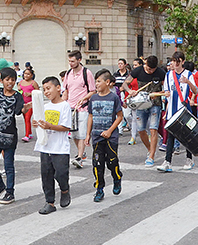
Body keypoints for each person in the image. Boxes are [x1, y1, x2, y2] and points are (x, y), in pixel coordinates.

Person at [0, 67, 31, 205]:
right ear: (1, 81)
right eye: (7, 80)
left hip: (10, 136)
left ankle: (10, 192)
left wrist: (28, 106)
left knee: (8, 165)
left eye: (12, 80)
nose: (10, 82)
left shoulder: (17, 95)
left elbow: (19, 111)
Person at [34, 76, 72, 214]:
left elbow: (66, 127)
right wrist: (37, 124)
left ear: (58, 88)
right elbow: (40, 123)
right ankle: (50, 202)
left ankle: (65, 189)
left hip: (60, 148)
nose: (46, 92)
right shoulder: (45, 106)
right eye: (44, 90)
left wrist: (50, 125)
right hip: (45, 146)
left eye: (48, 88)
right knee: (46, 175)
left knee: (61, 173)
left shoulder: (64, 106)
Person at [122, 55, 166, 167]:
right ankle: (150, 149)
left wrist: (160, 94)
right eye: (148, 69)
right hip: (141, 103)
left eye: (152, 70)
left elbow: (166, 89)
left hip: (155, 104)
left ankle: (151, 156)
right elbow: (125, 84)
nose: (150, 71)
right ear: (145, 64)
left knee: (153, 128)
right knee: (141, 130)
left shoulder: (160, 73)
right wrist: (130, 90)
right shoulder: (138, 70)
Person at [86, 69, 123, 202]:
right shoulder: (93, 98)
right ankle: (99, 188)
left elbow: (120, 116)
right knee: (97, 163)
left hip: (111, 137)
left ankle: (117, 178)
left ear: (107, 82)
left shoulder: (114, 98)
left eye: (99, 81)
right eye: (95, 81)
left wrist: (110, 131)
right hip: (97, 137)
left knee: (112, 162)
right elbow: (90, 116)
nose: (96, 84)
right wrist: (87, 135)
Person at [158, 51, 196, 172]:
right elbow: (166, 91)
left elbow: (195, 91)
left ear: (182, 62)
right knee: (171, 135)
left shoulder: (189, 74)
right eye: (173, 61)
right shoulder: (169, 75)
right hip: (172, 109)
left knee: (187, 135)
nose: (175, 64)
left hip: (184, 108)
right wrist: (166, 94)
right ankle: (167, 161)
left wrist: (188, 82)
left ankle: (189, 159)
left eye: (177, 61)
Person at [63, 50, 96, 169]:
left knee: (81, 134)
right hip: (71, 108)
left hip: (83, 108)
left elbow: (92, 90)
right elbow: (65, 89)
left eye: (73, 61)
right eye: (69, 61)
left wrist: (84, 99)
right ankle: (81, 153)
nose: (70, 63)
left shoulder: (87, 73)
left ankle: (79, 157)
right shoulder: (68, 73)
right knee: (74, 135)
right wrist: (63, 103)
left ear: (79, 60)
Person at [19, 68, 39, 142]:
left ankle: (27, 135)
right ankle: (29, 133)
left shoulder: (33, 83)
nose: (26, 75)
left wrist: (31, 94)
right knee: (25, 119)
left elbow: (38, 92)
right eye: (25, 74)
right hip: (23, 104)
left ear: (31, 75)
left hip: (31, 104)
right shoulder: (20, 82)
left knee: (27, 118)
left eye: (28, 74)